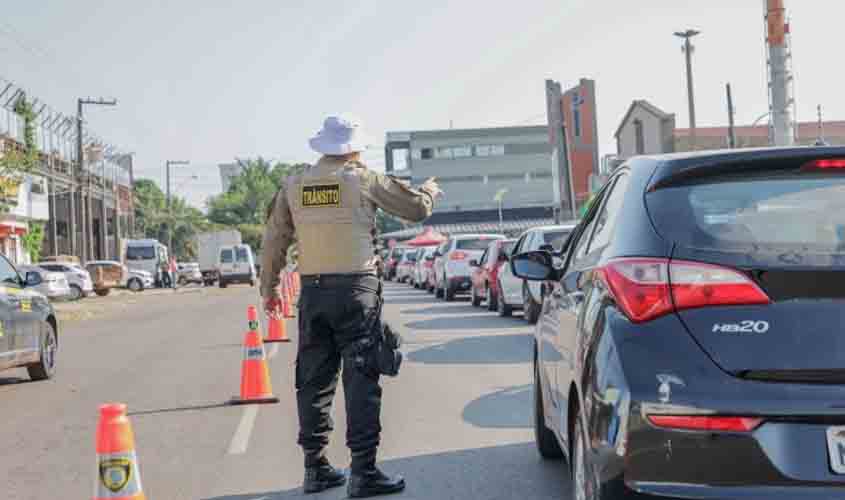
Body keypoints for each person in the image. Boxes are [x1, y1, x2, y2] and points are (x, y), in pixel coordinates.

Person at [260, 115, 441, 498]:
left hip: (313, 292)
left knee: (313, 380)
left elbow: (274, 239)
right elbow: (416, 210)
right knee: (361, 379)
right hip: (356, 291)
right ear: (354, 148)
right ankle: (363, 472)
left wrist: (270, 288)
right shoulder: (362, 178)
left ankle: (316, 467)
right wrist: (428, 191)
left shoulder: (294, 185)